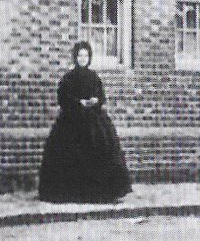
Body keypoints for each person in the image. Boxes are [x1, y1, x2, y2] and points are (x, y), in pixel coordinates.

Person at [38, 41, 132, 203]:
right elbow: (63, 98)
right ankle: (73, 192)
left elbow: (101, 96)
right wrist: (78, 103)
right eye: (80, 56)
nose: (83, 59)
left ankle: (100, 192)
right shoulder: (68, 78)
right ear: (75, 57)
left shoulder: (94, 77)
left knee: (101, 148)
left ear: (89, 58)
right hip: (72, 120)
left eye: (86, 56)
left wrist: (96, 100)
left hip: (94, 121)